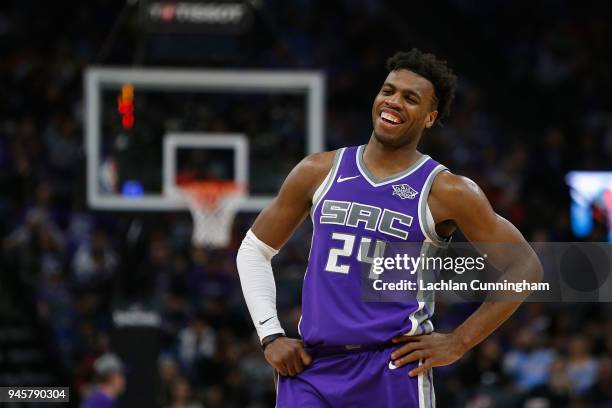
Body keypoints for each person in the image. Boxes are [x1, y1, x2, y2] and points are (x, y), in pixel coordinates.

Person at [236, 48, 541, 407]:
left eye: (410, 98)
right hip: (313, 368)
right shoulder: (318, 171)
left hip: (391, 369)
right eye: (388, 90)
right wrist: (270, 335)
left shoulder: (447, 191)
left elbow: (525, 266)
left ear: (430, 118)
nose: (393, 101)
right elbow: (254, 249)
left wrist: (459, 341)